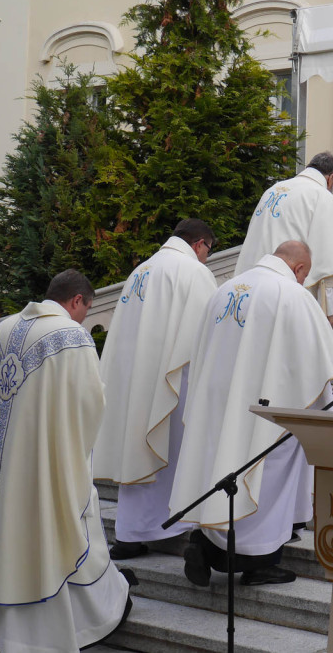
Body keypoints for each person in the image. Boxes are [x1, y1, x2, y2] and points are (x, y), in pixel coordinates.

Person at [0, 269, 135, 653]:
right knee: (59, 534)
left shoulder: (2, 330)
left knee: (13, 542)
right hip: (42, 467)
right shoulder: (70, 337)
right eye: (85, 310)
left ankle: (2, 637)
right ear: (77, 300)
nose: (82, 319)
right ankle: (48, 637)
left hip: (4, 467)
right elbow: (88, 403)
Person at [170, 241, 333, 587]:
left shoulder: (226, 289)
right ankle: (258, 561)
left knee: (219, 471)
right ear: (298, 269)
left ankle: (204, 543)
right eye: (305, 275)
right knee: (265, 473)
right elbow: (314, 364)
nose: (304, 281)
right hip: (263, 410)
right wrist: (328, 404)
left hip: (218, 404)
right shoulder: (292, 296)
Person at [92, 218, 219, 560]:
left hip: (137, 379)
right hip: (173, 382)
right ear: (199, 244)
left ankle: (132, 534)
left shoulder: (141, 272)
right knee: (176, 450)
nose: (208, 257)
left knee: (139, 450)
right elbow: (206, 333)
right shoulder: (192, 272)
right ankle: (178, 523)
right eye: (210, 249)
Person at [234, 151, 333, 368]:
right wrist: (331, 310)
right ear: (331, 178)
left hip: (252, 295)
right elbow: (328, 263)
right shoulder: (322, 197)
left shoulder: (272, 191)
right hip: (290, 300)